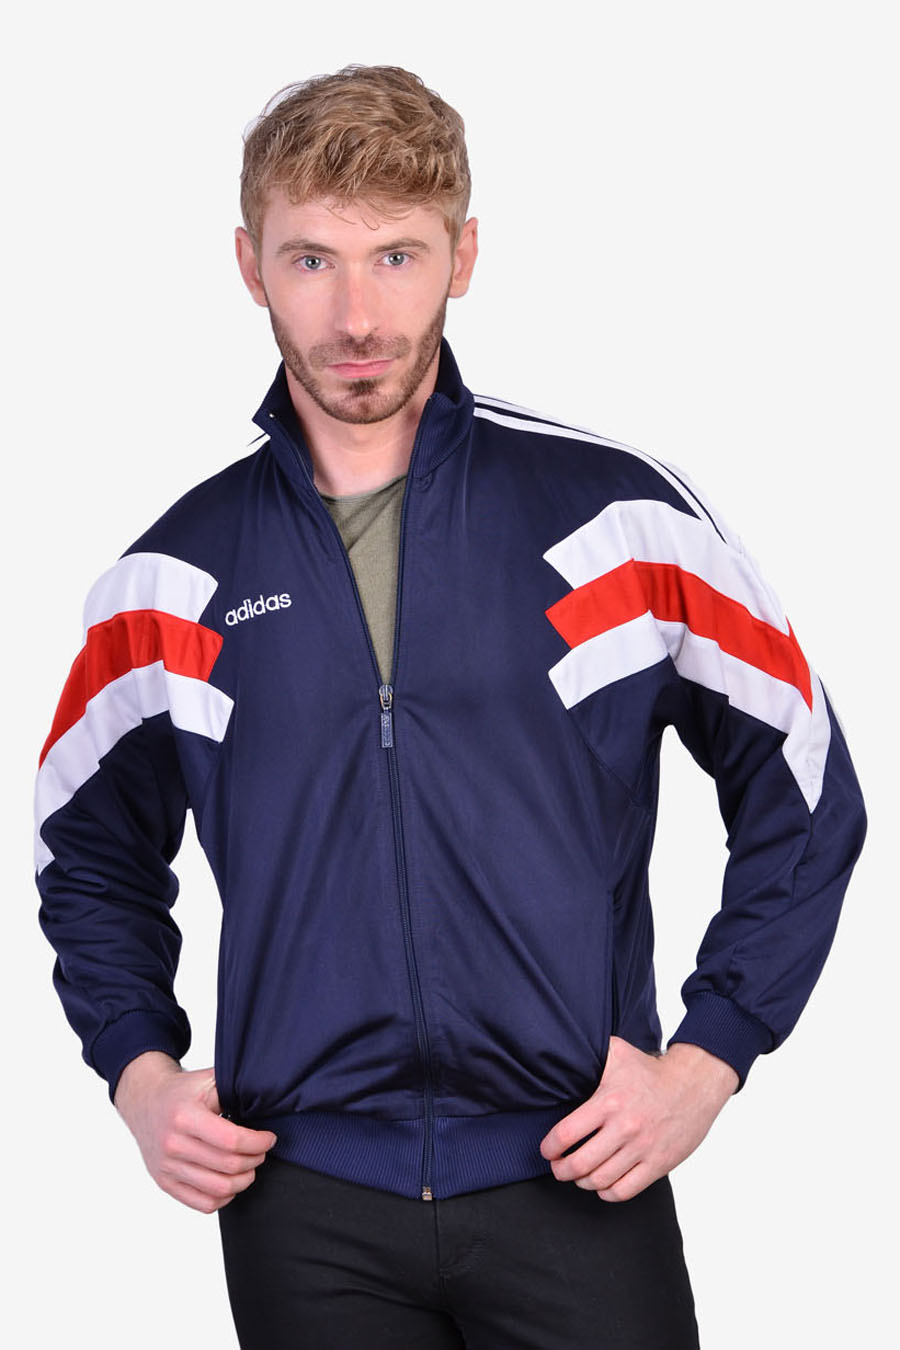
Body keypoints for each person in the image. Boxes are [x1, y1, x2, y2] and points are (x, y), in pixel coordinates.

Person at [34, 65, 866, 1349]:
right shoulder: (176, 576)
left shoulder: (613, 522)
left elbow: (804, 786)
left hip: (578, 1167)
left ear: (462, 257)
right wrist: (139, 1072)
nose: (356, 314)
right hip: (304, 1198)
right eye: (311, 259)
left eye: (397, 257)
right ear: (250, 267)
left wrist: (709, 1060)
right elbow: (85, 850)